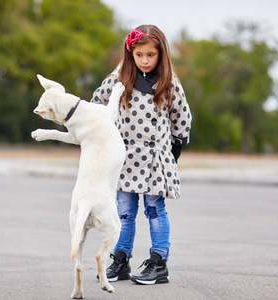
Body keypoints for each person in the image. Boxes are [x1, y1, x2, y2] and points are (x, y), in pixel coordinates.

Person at [91, 24, 192, 285]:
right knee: (124, 212)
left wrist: (174, 151)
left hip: (155, 160)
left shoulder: (169, 82)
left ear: (161, 55)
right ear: (130, 54)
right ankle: (121, 260)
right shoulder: (119, 78)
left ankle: (159, 263)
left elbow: (182, 118)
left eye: (151, 55)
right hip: (123, 158)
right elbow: (97, 103)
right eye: (139, 55)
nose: (145, 61)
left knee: (155, 209)